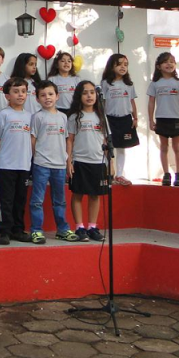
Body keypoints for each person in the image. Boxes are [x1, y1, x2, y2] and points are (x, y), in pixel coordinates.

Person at [31, 80, 76, 243]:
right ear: (37, 99)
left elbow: (67, 140)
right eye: (43, 95)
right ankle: (36, 230)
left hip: (59, 165)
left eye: (50, 94)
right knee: (37, 200)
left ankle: (62, 229)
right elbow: (33, 139)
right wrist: (36, 158)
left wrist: (68, 161)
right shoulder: (37, 117)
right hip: (41, 164)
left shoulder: (63, 117)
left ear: (57, 96)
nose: (47, 98)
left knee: (60, 200)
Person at [0, 77, 33, 245]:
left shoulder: (30, 116)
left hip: (24, 165)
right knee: (6, 200)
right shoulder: (3, 114)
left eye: (23, 91)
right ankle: (5, 231)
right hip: (7, 165)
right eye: (16, 92)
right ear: (7, 96)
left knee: (20, 199)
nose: (20, 95)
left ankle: (18, 229)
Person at [66, 80, 108, 242]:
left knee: (95, 195)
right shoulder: (75, 117)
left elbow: (106, 140)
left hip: (98, 161)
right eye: (85, 93)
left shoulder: (101, 116)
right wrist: (69, 161)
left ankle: (92, 227)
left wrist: (110, 163)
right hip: (80, 161)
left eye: (92, 92)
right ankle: (79, 227)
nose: (89, 96)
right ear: (79, 96)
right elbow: (70, 140)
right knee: (78, 194)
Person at [147, 52, 179, 187]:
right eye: (166, 62)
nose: (169, 64)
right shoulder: (155, 84)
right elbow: (151, 102)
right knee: (164, 147)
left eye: (172, 61)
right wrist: (150, 120)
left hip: (176, 118)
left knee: (177, 146)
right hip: (161, 118)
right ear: (159, 66)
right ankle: (166, 173)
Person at [100, 54, 138, 186]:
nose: (123, 67)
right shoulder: (106, 83)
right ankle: (108, 172)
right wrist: (101, 119)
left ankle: (120, 174)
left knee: (122, 147)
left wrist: (135, 117)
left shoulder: (129, 84)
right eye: (119, 64)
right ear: (112, 66)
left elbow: (132, 101)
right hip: (110, 119)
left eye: (125, 64)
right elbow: (102, 102)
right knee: (108, 147)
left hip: (125, 119)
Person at [48, 51, 80, 118]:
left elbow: (79, 95)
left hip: (73, 110)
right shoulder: (52, 79)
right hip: (57, 110)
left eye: (69, 61)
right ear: (57, 64)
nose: (66, 63)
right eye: (63, 61)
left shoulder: (76, 79)